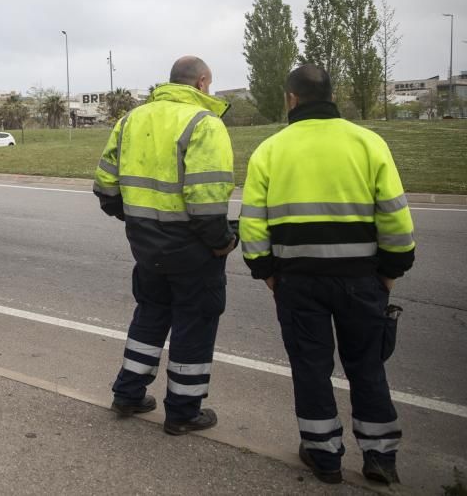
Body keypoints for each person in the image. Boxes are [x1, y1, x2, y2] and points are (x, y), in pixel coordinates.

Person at [240, 65, 415, 486]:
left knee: (311, 368)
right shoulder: (368, 143)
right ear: (331, 96)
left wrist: (265, 272)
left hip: (297, 282)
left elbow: (252, 224)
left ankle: (324, 456)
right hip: (362, 280)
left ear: (291, 99)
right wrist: (390, 272)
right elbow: (396, 219)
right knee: (368, 366)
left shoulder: (270, 149)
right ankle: (380, 458)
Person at [94, 56, 237, 435]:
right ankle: (183, 412)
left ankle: (128, 394)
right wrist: (223, 243)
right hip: (193, 251)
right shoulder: (205, 123)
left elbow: (105, 189)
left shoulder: (130, 120)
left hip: (147, 247)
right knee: (194, 324)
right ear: (202, 82)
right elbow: (207, 206)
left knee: (151, 314)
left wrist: (141, 221)